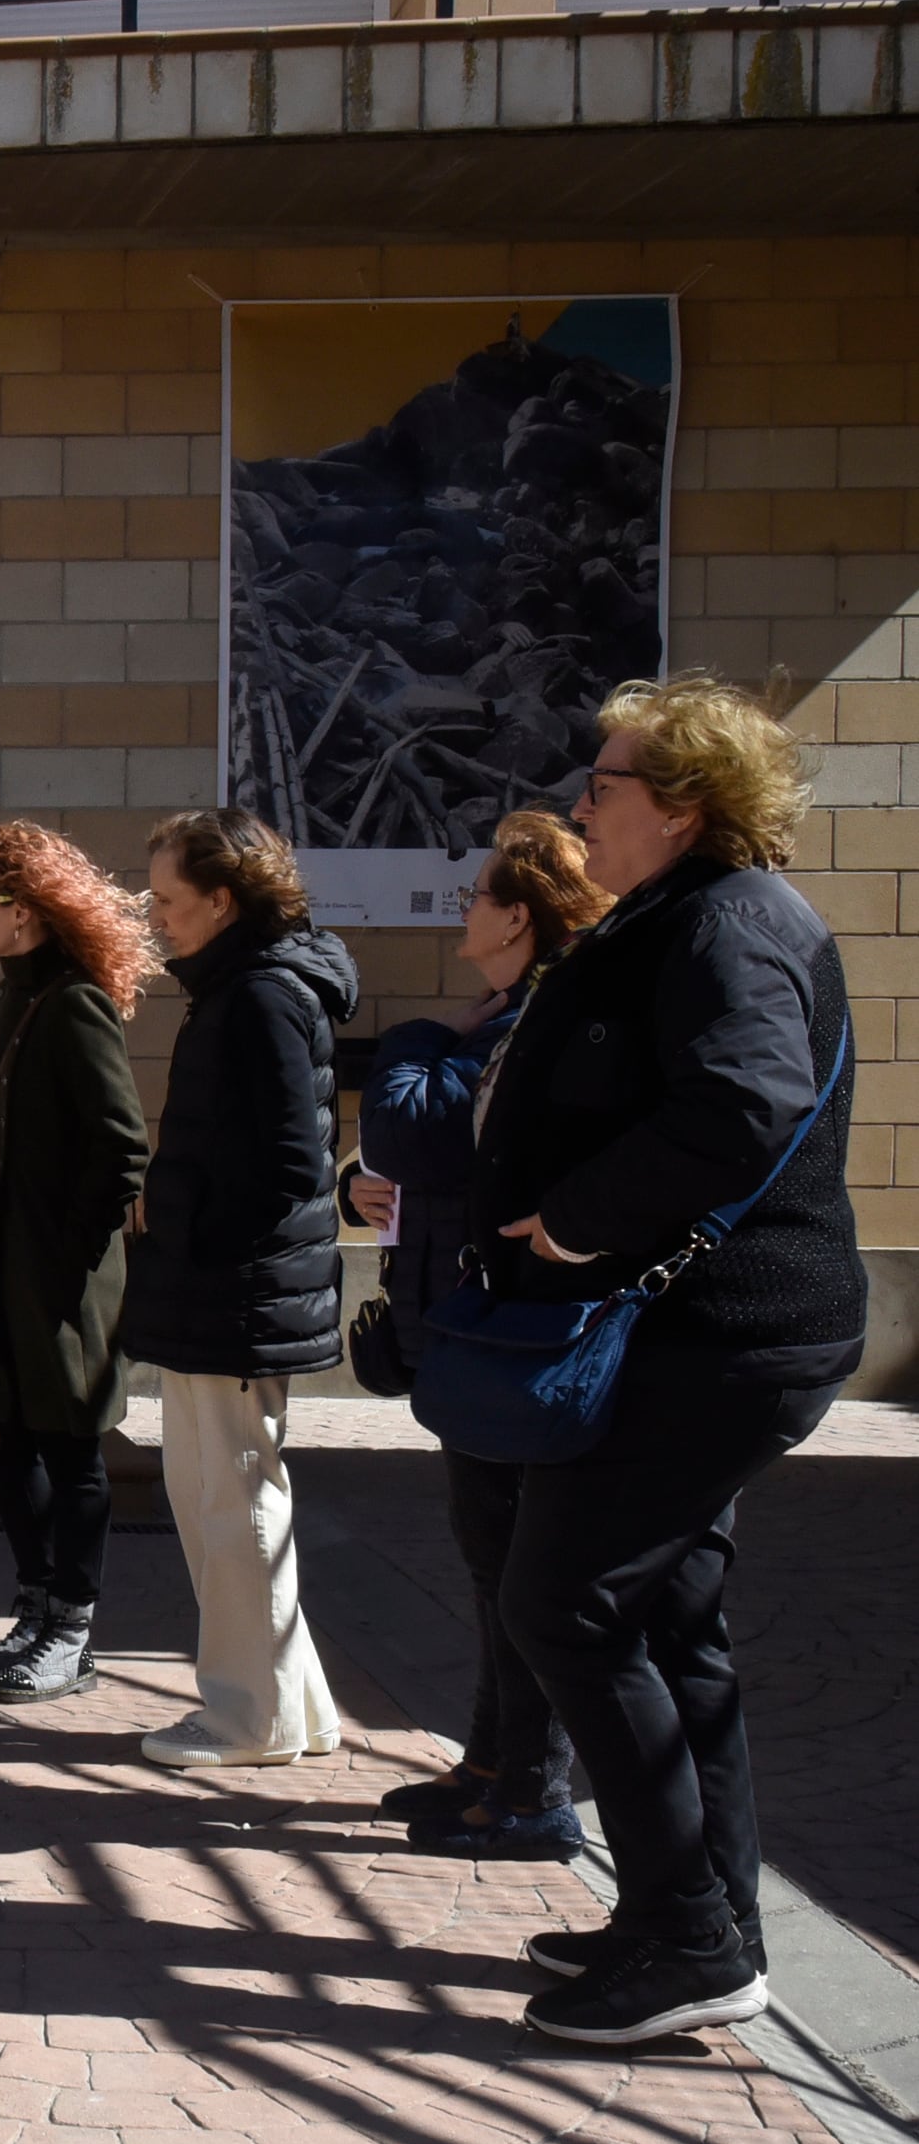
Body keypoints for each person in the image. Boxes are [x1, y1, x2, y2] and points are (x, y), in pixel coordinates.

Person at [473, 678, 863, 2045]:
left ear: (682, 806)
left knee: (565, 1600)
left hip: (723, 1335)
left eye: (606, 781)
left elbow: (741, 1100)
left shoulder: (729, 922)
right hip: (703, 1332)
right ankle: (692, 1919)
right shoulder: (684, 916)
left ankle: (689, 1934)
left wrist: (577, 1219)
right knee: (660, 1621)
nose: (583, 799)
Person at [346, 814, 610, 1859]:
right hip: (469, 1324)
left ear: (518, 916)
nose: (463, 908)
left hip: (511, 1331)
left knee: (516, 1565)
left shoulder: (521, 1027)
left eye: (478, 895)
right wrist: (358, 1184)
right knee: (487, 1557)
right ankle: (494, 1761)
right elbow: (406, 1159)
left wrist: (421, 1037)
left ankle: (530, 1792)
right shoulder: (505, 1018)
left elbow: (413, 1124)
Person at [120, 808, 354, 1770]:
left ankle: (244, 1718)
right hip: (231, 1286)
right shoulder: (252, 988)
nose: (156, 918)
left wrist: (170, 1211)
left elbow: (285, 1164)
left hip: (232, 1289)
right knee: (229, 1494)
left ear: (223, 899)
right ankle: (290, 1708)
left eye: (170, 901)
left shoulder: (257, 996)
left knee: (232, 1502)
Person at [0, 822, 153, 1703]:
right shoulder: (12, 1002)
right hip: (0, 1260)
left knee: (71, 1450)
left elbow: (120, 1149)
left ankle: (71, 1629)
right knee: (2, 1432)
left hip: (60, 1274)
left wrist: (66, 1261)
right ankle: (34, 1609)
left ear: (24, 914)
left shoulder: (74, 1004)